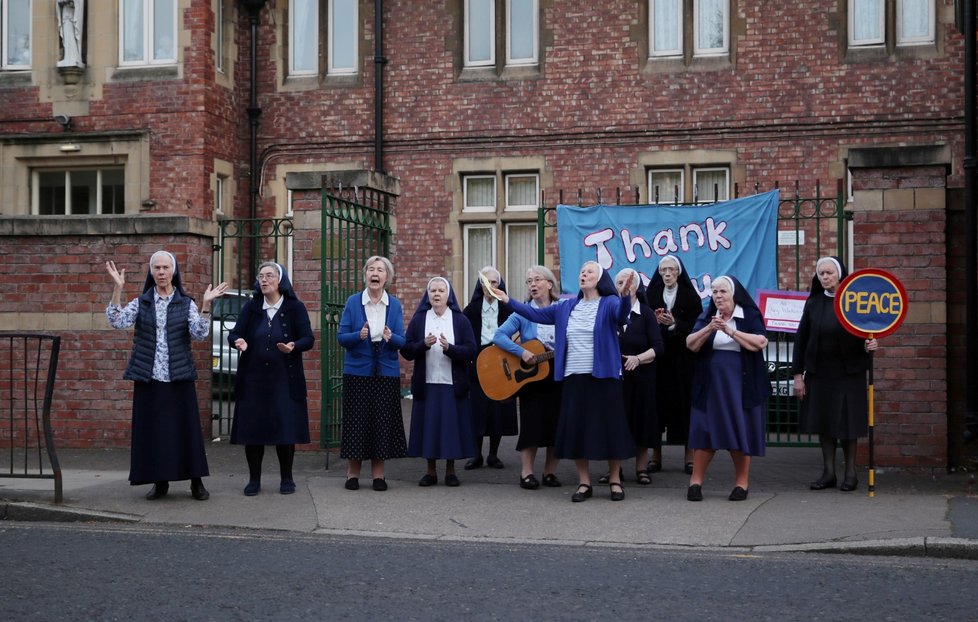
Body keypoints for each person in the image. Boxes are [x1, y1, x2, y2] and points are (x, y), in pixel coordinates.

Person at [490, 261, 634, 503]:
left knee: (611, 428)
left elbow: (621, 316)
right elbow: (533, 313)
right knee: (578, 428)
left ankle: (615, 480)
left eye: (589, 272)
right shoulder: (566, 307)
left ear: (599, 278)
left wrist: (626, 297)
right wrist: (507, 300)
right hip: (574, 376)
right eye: (581, 271)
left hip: (605, 376)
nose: (583, 274)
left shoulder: (609, 303)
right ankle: (584, 482)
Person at [105, 251, 228, 501]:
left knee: (187, 432)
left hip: (178, 376)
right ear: (151, 272)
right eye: (157, 268)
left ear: (174, 271)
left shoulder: (185, 302)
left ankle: (196, 482)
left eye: (165, 267)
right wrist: (117, 289)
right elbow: (116, 322)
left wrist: (205, 306)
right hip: (149, 378)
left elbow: (199, 334)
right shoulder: (142, 302)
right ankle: (160, 483)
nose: (161, 272)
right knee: (154, 433)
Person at [792, 256, 878, 492]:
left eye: (829, 273)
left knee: (848, 424)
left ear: (840, 275)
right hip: (820, 373)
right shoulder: (814, 304)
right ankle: (828, 472)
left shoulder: (855, 302)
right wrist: (798, 375)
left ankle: (851, 473)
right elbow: (801, 341)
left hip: (849, 373)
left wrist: (870, 345)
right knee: (824, 422)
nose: (825, 277)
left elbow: (869, 332)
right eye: (822, 274)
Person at [228, 262, 315, 496]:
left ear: (280, 280)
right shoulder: (252, 307)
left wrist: (293, 346)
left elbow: (308, 338)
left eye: (269, 276)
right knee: (253, 431)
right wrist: (239, 341)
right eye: (261, 276)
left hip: (284, 379)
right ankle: (254, 480)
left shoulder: (295, 308)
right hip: (253, 379)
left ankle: (287, 478)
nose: (263, 280)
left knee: (284, 430)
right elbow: (234, 333)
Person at [685, 275, 769, 502]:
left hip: (740, 384)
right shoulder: (707, 316)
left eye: (723, 291)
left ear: (734, 294)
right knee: (705, 430)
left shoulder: (748, 314)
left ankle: (742, 483)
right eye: (715, 292)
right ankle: (696, 482)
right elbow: (690, 344)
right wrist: (710, 328)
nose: (718, 296)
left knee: (740, 430)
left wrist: (730, 331)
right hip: (712, 384)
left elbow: (760, 343)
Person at [337, 256, 407, 492]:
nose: (375, 273)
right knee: (357, 423)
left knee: (381, 423)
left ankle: (378, 475)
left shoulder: (394, 305)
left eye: (380, 270)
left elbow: (402, 341)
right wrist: (359, 336)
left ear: (387, 277)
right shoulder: (353, 302)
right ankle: (352, 474)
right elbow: (341, 337)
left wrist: (391, 337)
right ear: (365, 275)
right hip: (357, 371)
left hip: (386, 371)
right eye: (371, 269)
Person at [492, 265, 564, 490]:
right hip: (531, 376)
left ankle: (550, 473)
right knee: (531, 424)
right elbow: (498, 336)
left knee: (557, 424)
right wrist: (521, 351)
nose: (532, 284)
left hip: (558, 371)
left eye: (537, 280)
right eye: (529, 281)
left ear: (550, 284)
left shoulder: (563, 310)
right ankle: (527, 473)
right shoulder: (522, 312)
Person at [402, 277, 478, 487]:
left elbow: (472, 351)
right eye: (432, 291)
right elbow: (407, 351)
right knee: (430, 429)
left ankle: (451, 471)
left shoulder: (460, 320)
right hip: (427, 384)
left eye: (441, 291)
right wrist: (423, 345)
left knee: (450, 429)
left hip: (452, 385)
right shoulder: (419, 320)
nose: (436, 294)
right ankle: (430, 471)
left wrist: (450, 349)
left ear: (448, 295)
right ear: (428, 295)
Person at [645, 255, 703, 474]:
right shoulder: (650, 295)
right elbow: (642, 322)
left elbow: (697, 325)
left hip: (682, 361)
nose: (667, 274)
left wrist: (675, 324)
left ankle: (689, 458)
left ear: (679, 272)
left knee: (684, 406)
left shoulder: (690, 296)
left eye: (671, 270)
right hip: (658, 361)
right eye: (663, 270)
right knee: (657, 407)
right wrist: (656, 322)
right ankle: (655, 457)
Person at [611, 268, 664, 486]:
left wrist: (638, 358)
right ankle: (616, 470)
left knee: (642, 420)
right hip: (616, 378)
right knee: (617, 422)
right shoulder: (611, 312)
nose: (623, 285)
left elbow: (658, 348)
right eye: (619, 282)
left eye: (627, 281)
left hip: (642, 376)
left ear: (636, 286)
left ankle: (641, 468)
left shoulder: (646, 313)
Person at [462, 266, 518, 470]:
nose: (490, 286)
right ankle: (476, 454)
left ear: (500, 285)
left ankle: (493, 455)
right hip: (478, 360)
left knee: (498, 409)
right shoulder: (470, 310)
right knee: (477, 408)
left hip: (502, 360)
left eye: (494, 282)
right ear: (480, 285)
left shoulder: (507, 309)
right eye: (486, 282)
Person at [57, 0, 85, 67]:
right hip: (65, 13)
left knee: (72, 35)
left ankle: (74, 56)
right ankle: (67, 57)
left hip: (72, 13)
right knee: (66, 35)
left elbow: (79, 2)